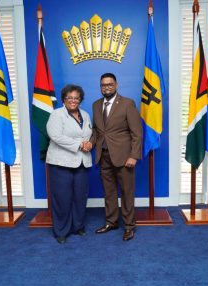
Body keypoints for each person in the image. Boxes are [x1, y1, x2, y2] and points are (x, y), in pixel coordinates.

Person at [90, 73, 143, 241]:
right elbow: (97, 132)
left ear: (116, 85)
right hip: (103, 156)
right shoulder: (96, 105)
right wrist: (90, 143)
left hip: (124, 157)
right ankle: (111, 222)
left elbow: (137, 133)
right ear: (100, 87)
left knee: (127, 193)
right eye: (103, 85)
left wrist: (134, 156)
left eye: (110, 84)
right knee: (109, 192)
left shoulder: (127, 104)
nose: (106, 87)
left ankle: (129, 226)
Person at [46, 84, 93, 244]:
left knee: (80, 197)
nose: (73, 101)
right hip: (61, 163)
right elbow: (55, 136)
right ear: (64, 99)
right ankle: (61, 231)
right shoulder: (57, 114)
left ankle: (77, 226)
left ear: (80, 99)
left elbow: (89, 134)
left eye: (76, 98)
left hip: (82, 162)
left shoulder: (85, 115)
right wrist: (80, 144)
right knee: (62, 198)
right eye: (69, 98)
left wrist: (89, 144)